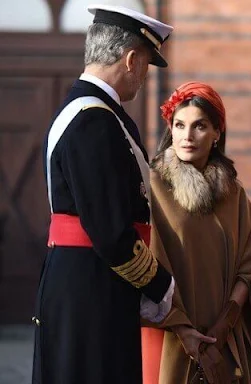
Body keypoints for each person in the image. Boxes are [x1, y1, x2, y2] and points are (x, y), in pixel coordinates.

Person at [36, 4, 176, 384]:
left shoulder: (94, 114)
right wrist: (163, 290)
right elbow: (111, 232)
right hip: (92, 292)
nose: (144, 78)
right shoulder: (93, 121)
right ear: (131, 59)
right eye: (146, 65)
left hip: (89, 287)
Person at [141, 82, 251, 384]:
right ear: (170, 130)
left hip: (222, 337)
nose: (187, 136)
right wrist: (182, 329)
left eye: (199, 126)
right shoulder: (151, 188)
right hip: (167, 334)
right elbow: (142, 263)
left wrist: (223, 326)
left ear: (217, 132)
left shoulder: (234, 194)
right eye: (179, 125)